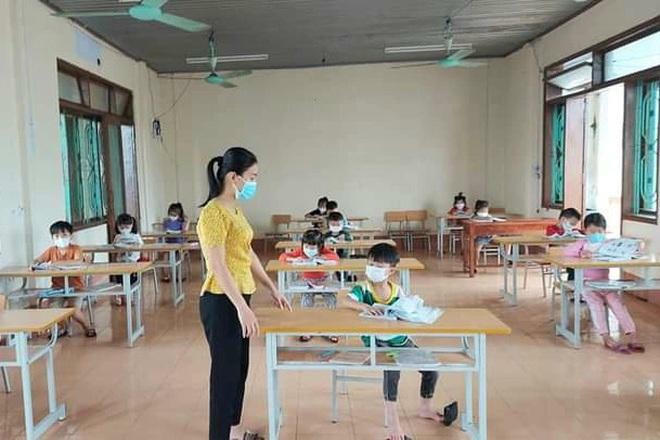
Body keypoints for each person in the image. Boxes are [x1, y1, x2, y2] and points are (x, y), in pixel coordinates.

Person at [197, 147, 291, 440]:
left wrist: (271, 287)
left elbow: (246, 252)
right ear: (233, 177)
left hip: (239, 298)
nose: (254, 183)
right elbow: (217, 265)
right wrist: (241, 307)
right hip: (221, 300)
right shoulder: (212, 213)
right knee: (224, 377)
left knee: (239, 370)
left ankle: (234, 431)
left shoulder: (235, 209)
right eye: (251, 177)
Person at [341, 243, 457, 440]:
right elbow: (345, 300)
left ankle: (425, 408)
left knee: (431, 369)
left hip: (400, 340)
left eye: (379, 266)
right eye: (371, 264)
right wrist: (364, 307)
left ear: (391, 271)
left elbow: (407, 311)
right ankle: (394, 427)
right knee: (392, 372)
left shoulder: (397, 290)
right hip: (378, 342)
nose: (373, 269)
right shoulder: (363, 288)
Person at [562, 213, 644, 354]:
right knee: (596, 305)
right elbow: (566, 252)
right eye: (592, 231)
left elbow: (631, 250)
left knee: (618, 304)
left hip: (605, 283)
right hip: (587, 283)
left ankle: (632, 335)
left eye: (599, 231)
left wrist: (637, 247)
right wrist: (581, 253)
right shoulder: (583, 243)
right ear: (585, 230)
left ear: (604, 231)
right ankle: (606, 337)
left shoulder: (608, 243)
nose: (596, 235)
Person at [33, 221, 96, 337]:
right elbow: (39, 259)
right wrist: (36, 263)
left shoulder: (76, 249)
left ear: (70, 236)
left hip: (76, 287)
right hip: (57, 288)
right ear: (52, 238)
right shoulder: (51, 250)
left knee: (72, 308)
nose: (60, 239)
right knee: (54, 309)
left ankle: (87, 327)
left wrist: (55, 264)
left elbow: (77, 262)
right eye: (56, 236)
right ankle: (63, 327)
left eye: (64, 235)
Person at [279, 229, 340, 343]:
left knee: (332, 301)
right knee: (306, 303)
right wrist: (294, 259)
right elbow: (283, 257)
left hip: (324, 281)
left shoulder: (324, 251)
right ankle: (307, 329)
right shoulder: (301, 252)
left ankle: (332, 329)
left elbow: (335, 258)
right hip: (307, 282)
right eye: (306, 247)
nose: (309, 250)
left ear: (320, 247)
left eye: (312, 248)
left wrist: (323, 259)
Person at [111, 213, 143, 305]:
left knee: (132, 281)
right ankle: (121, 297)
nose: (124, 230)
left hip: (132, 262)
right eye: (122, 227)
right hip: (120, 262)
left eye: (127, 227)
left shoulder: (135, 236)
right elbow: (113, 247)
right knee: (120, 281)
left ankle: (130, 298)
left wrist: (133, 247)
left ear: (132, 226)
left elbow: (141, 246)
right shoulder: (118, 237)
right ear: (118, 226)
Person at [162, 202, 188, 281]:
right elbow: (164, 231)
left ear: (178, 215)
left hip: (179, 243)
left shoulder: (181, 221)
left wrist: (186, 222)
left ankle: (179, 275)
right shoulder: (166, 221)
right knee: (165, 256)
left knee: (179, 256)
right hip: (168, 243)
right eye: (171, 214)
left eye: (174, 215)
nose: (172, 217)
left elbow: (184, 231)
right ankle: (166, 275)